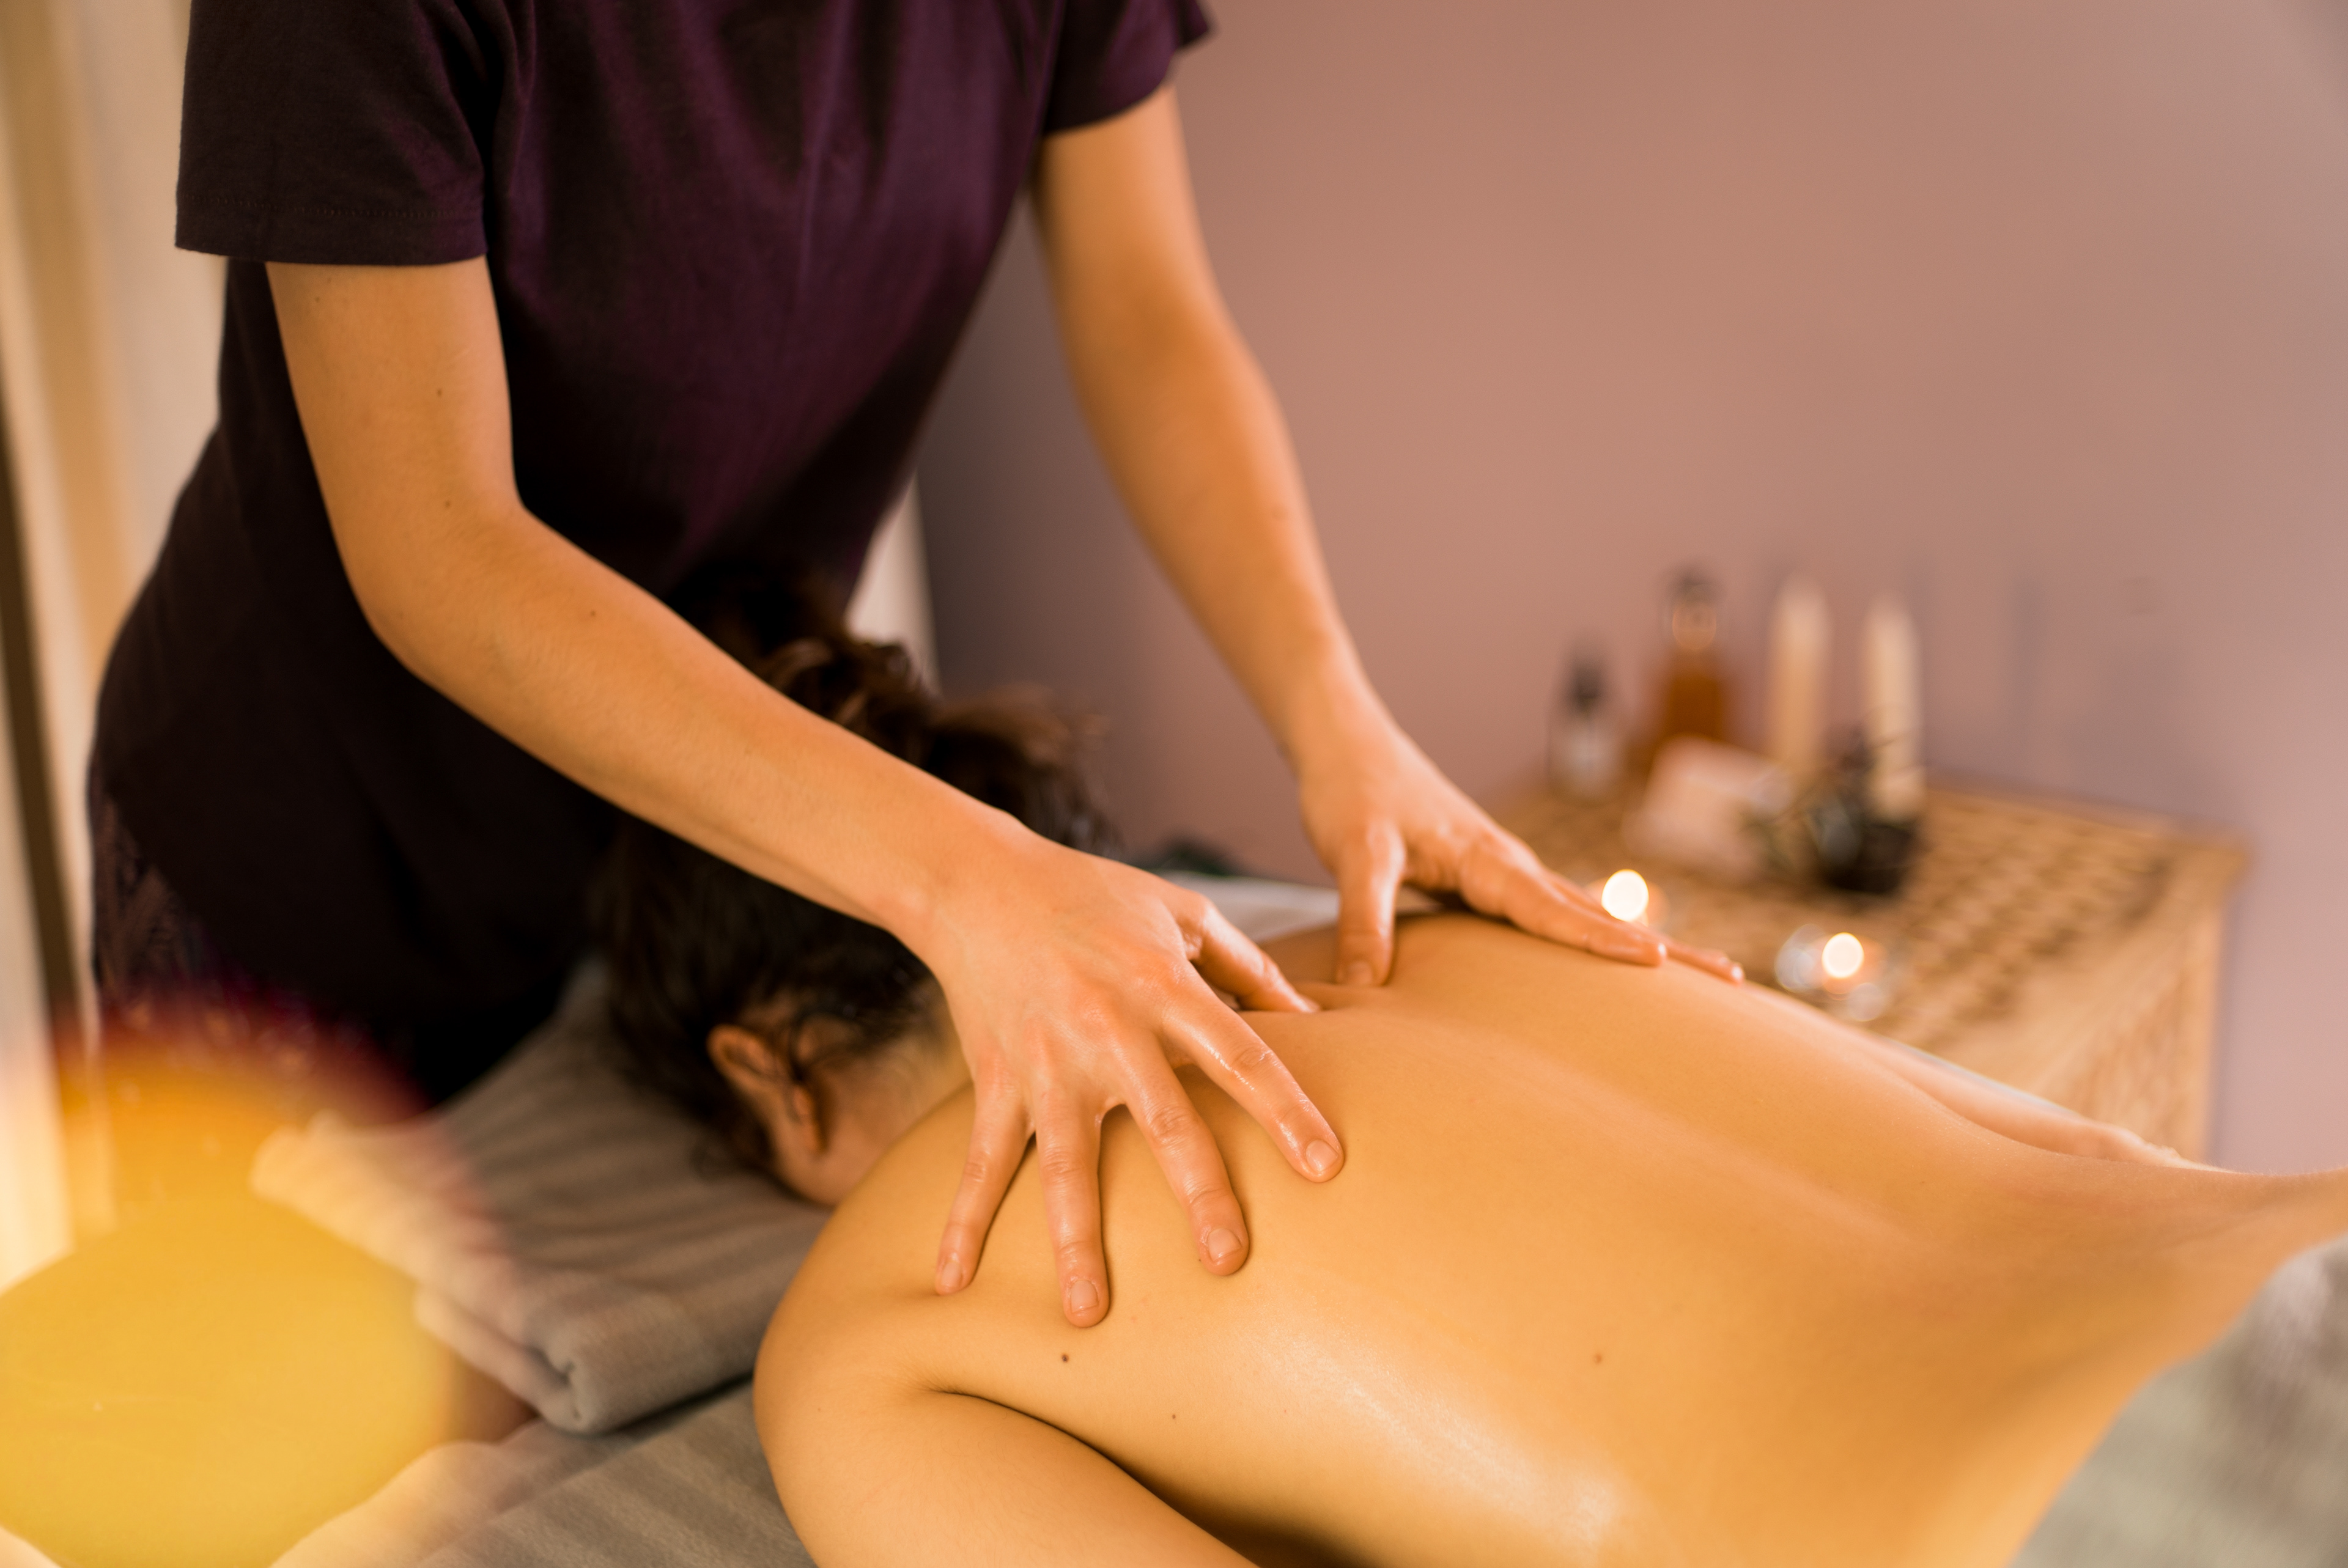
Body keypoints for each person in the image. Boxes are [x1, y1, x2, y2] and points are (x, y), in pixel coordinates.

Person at [91, 0, 1733, 1322]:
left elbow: (1148, 314)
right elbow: (440, 551)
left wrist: (1339, 718)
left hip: (719, 836)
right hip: (321, 849)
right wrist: (969, 878)